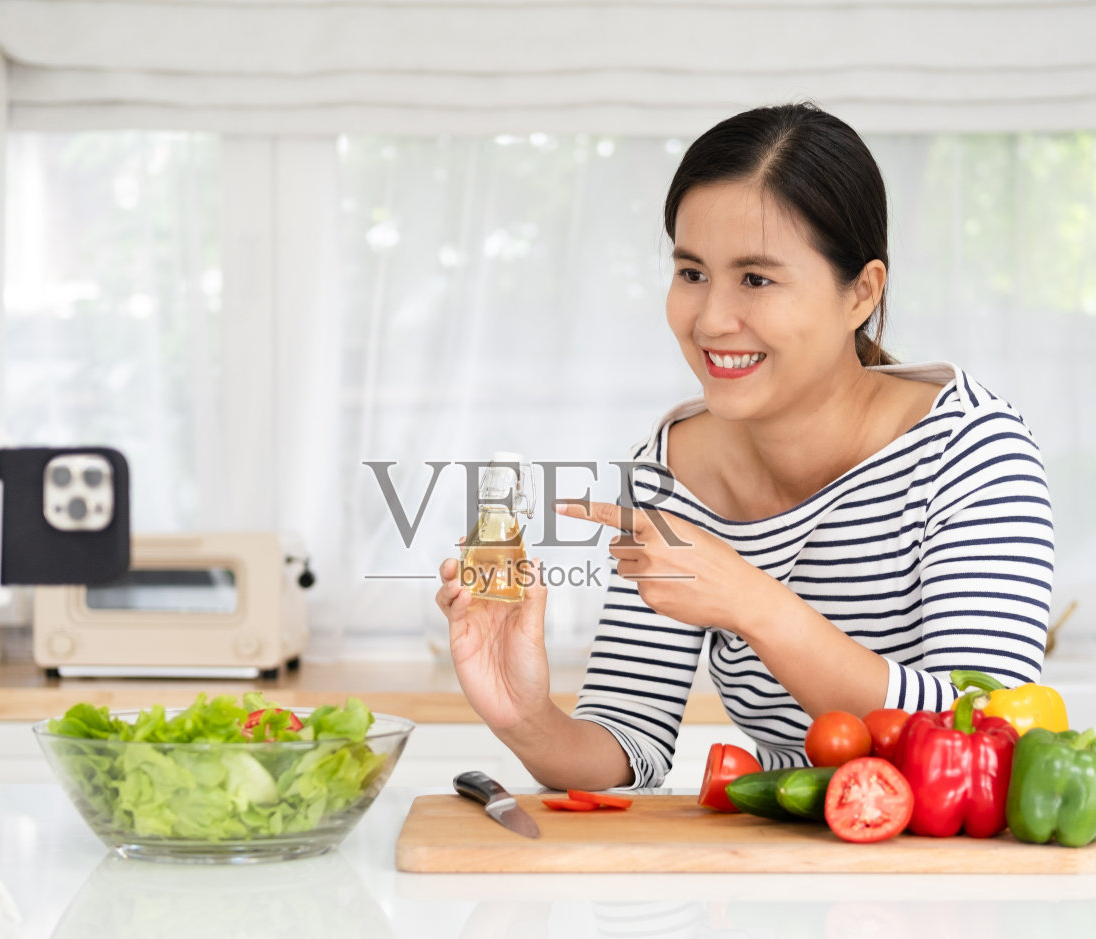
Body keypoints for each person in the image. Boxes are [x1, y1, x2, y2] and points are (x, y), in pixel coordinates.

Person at [434, 102, 1053, 790]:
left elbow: (987, 741)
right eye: (692, 273)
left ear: (861, 294)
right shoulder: (669, 473)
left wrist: (748, 601)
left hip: (956, 884)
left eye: (756, 279)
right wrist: (526, 717)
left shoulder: (970, 454)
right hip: (771, 863)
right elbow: (630, 750)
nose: (710, 319)